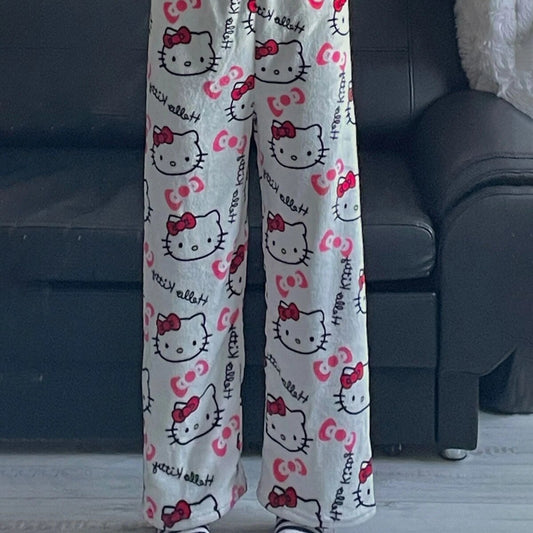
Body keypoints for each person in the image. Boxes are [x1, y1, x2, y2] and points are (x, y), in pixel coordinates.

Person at [141, 1, 375, 531]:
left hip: (310, 14)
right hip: (194, 14)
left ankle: (313, 498)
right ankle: (185, 498)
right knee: (185, 265)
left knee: (321, 251)